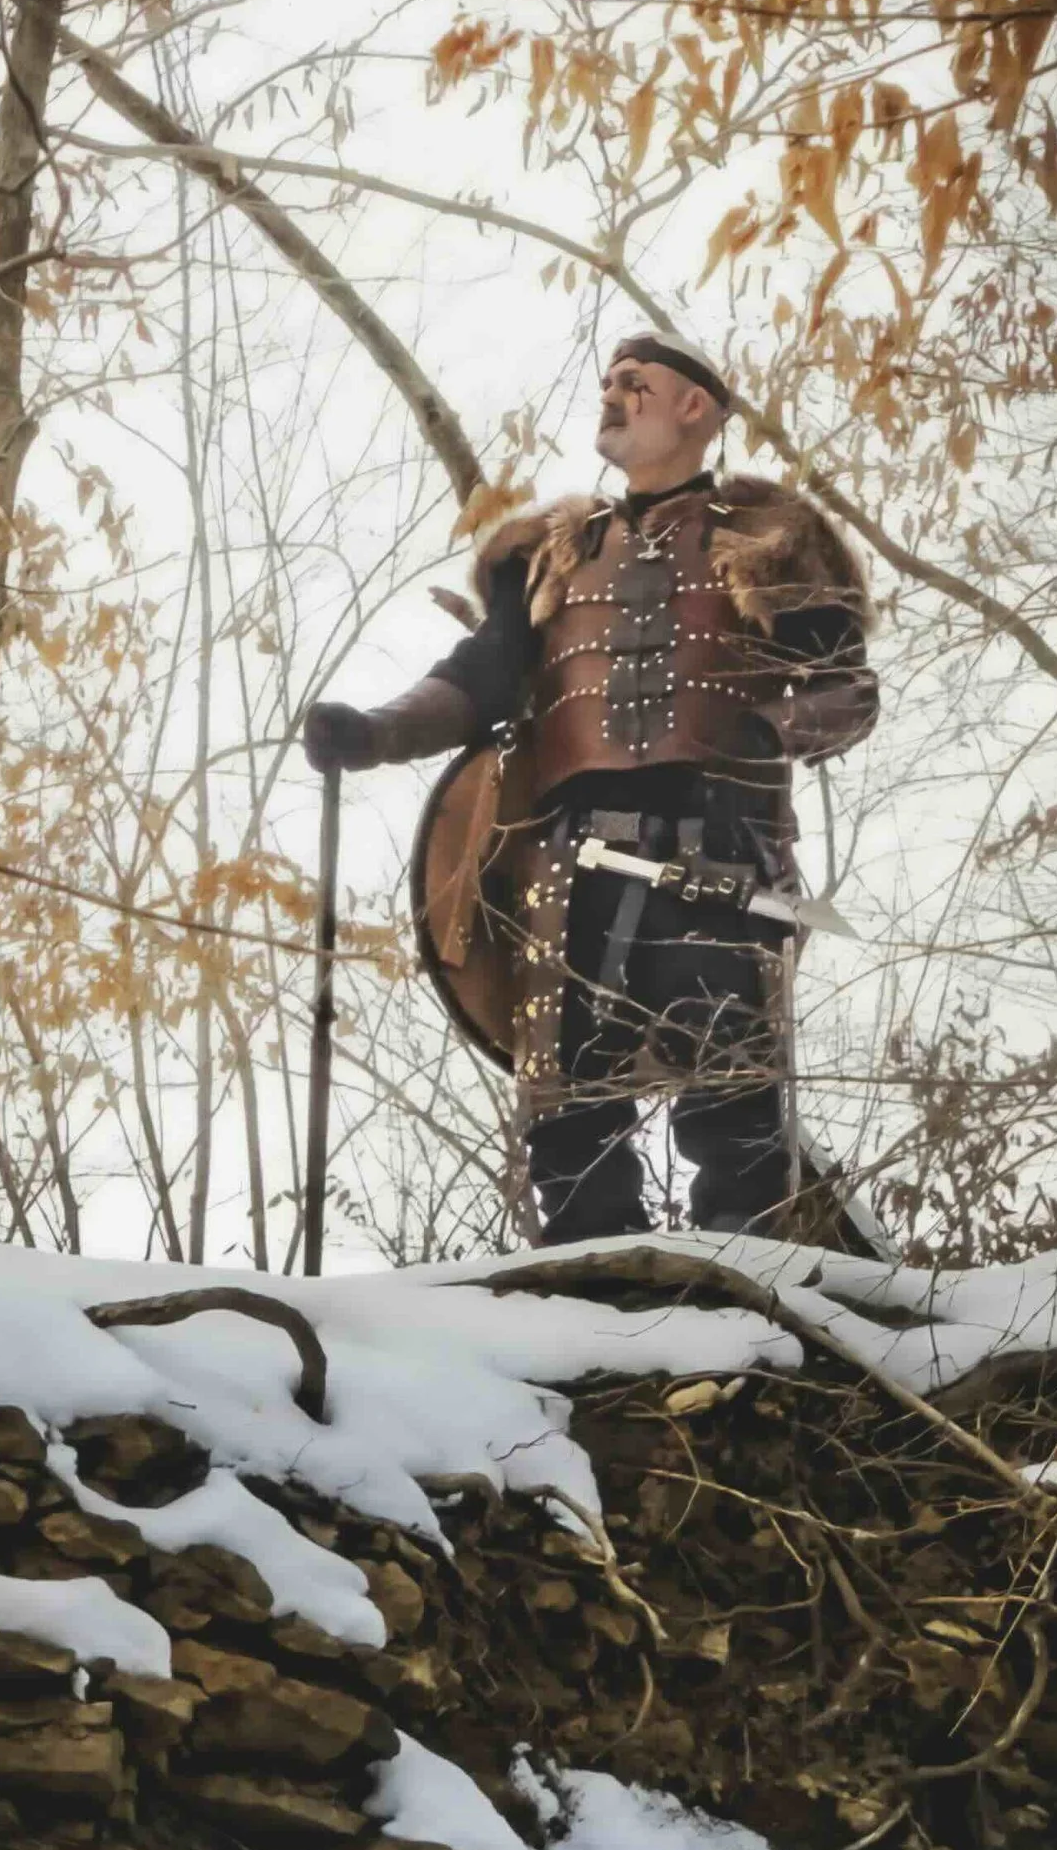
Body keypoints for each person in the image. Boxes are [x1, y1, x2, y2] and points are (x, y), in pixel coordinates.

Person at [303, 336, 877, 1241]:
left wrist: (765, 730)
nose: (611, 398)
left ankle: (754, 1284)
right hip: (569, 864)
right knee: (568, 1105)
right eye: (606, 385)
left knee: (732, 1094)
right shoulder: (551, 558)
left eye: (633, 385)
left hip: (721, 849)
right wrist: (375, 733)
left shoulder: (770, 538)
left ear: (695, 408)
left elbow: (848, 690)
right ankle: (586, 1297)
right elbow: (481, 678)